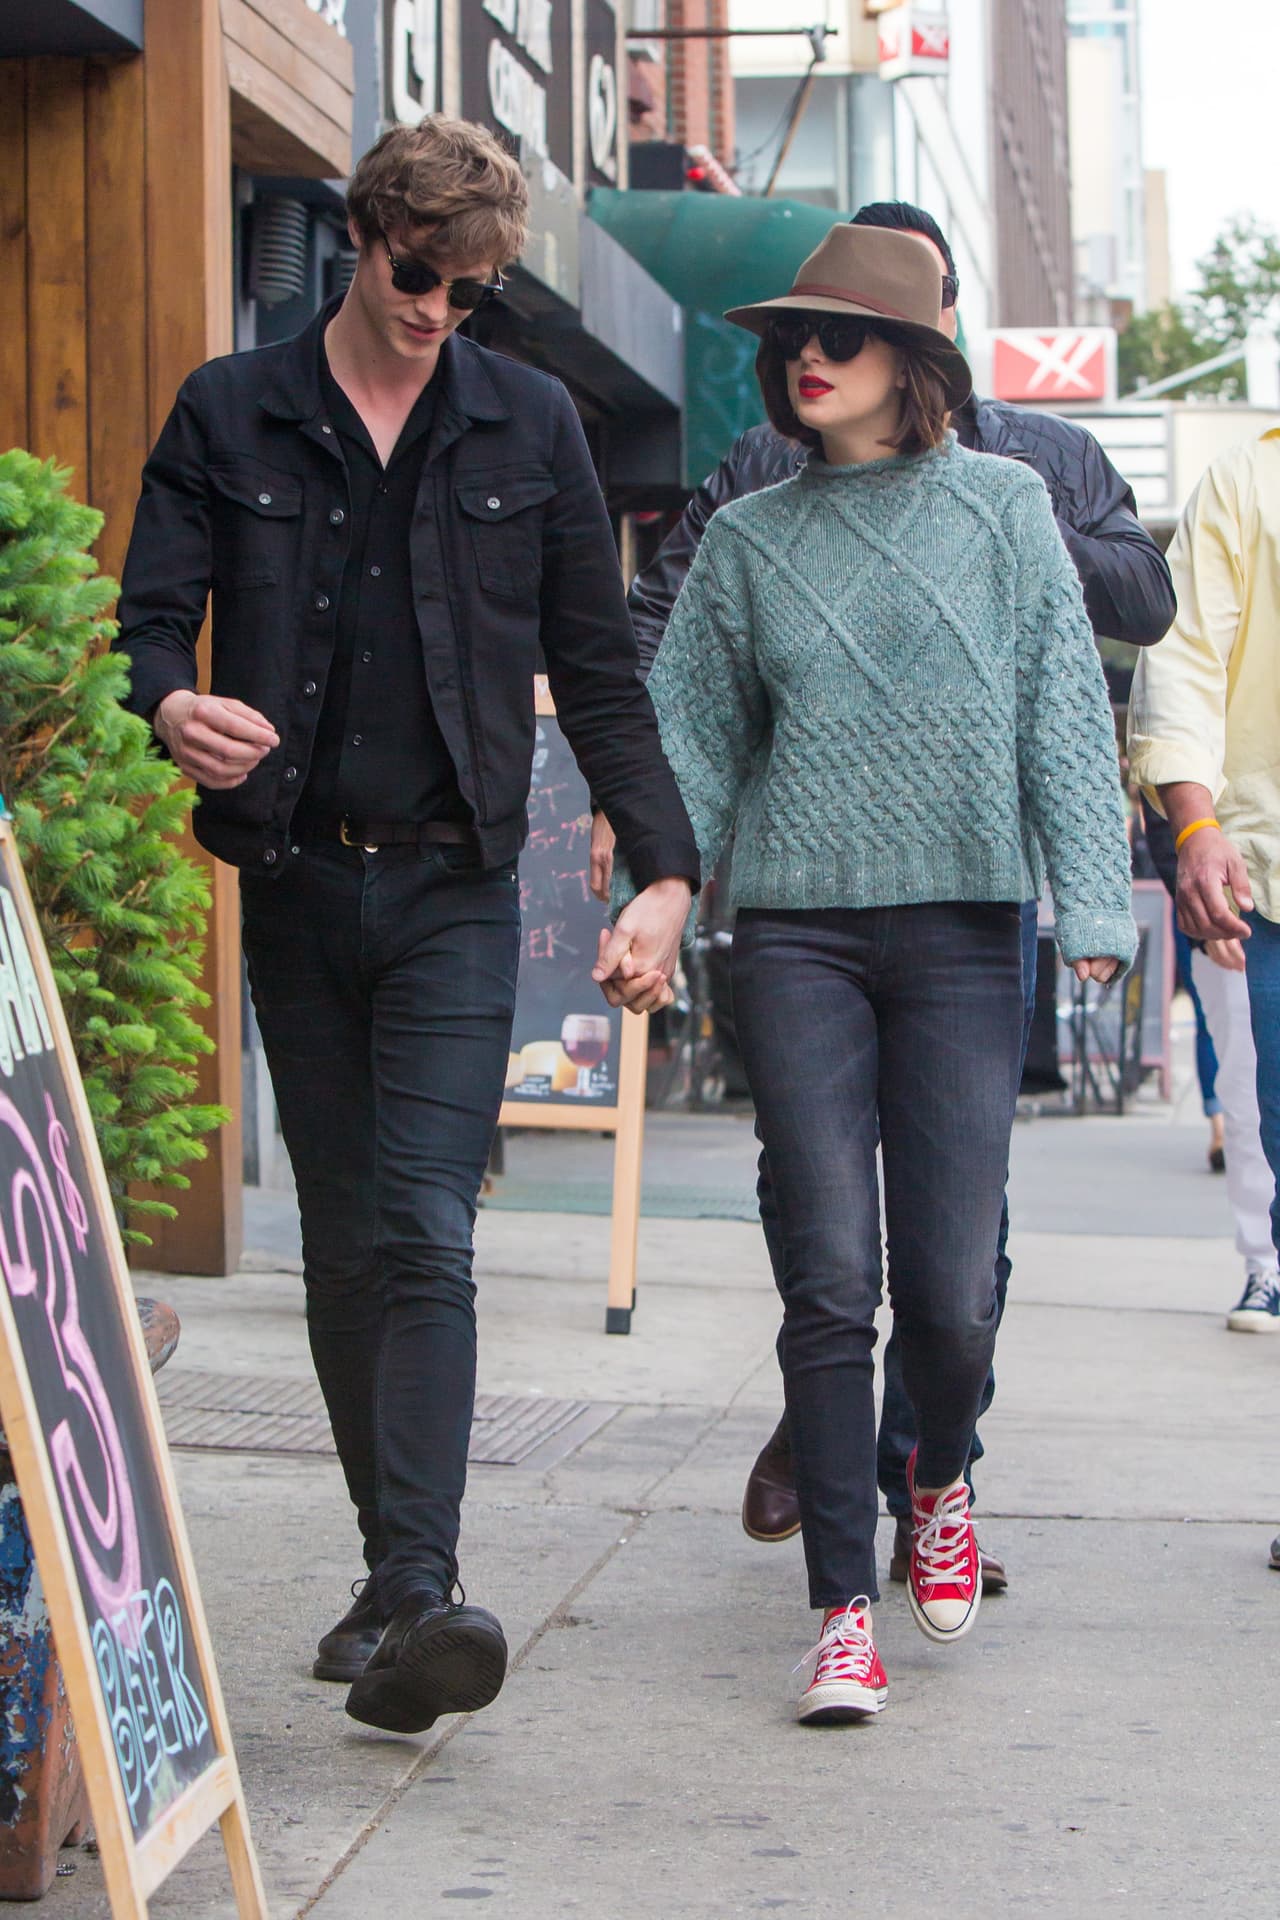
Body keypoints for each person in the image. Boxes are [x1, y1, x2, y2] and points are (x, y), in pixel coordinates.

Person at [113, 114, 698, 1735]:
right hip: (295, 876)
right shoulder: (235, 411)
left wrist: (663, 867)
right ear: (364, 238)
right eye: (420, 270)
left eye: (475, 284)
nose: (442, 305)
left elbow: (600, 670)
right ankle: (389, 1582)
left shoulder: (531, 427)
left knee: (428, 1226)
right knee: (347, 1232)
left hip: (454, 882)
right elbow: (145, 620)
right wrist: (170, 706)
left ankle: (428, 1591)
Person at [596, 201, 1175, 1592]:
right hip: (796, 924)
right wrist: (656, 879)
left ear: (923, 344)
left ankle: (936, 1465)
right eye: (793, 332)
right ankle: (843, 1581)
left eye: (841, 335)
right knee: (825, 1253)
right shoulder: (751, 500)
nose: (807, 356)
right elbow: (691, 701)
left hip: (966, 926)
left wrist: (1095, 909)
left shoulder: (1032, 483)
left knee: (956, 1273)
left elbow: (1076, 694)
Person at [1129, 426, 1280, 1387]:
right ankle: (1266, 1266)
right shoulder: (1250, 477)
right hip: (1262, 873)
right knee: (1251, 1098)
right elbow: (1183, 662)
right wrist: (1194, 826)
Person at [1139, 798, 1278, 1326]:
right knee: (1249, 1099)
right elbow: (1162, 799)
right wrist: (1199, 907)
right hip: (1239, 908)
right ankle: (1265, 1266)